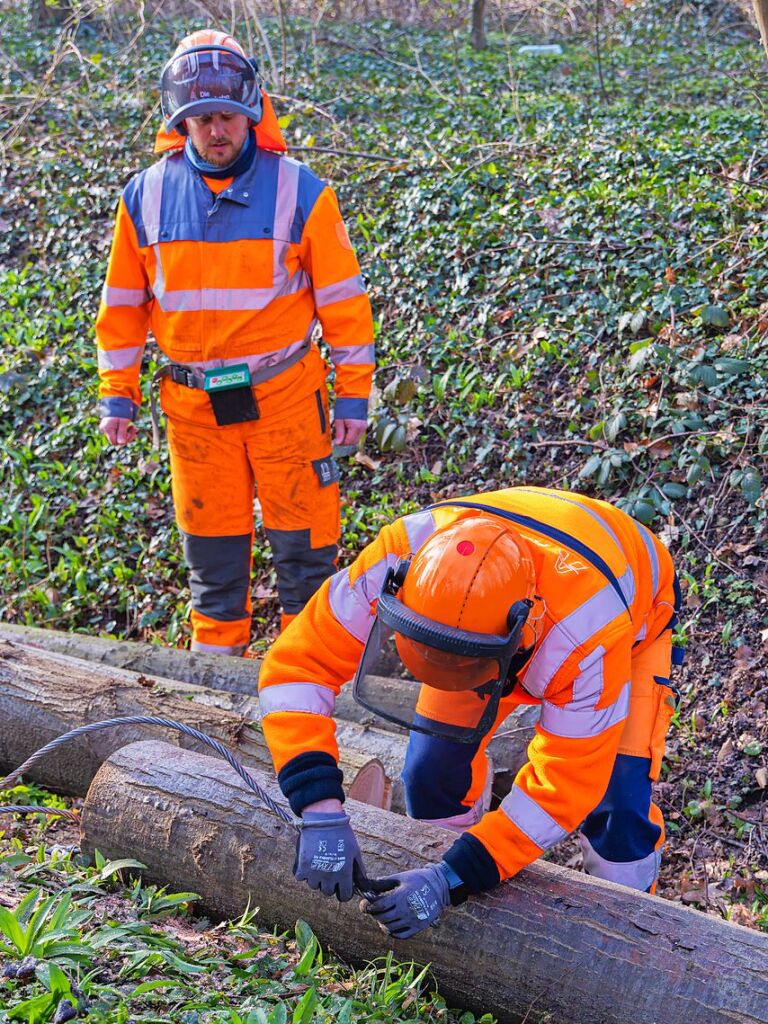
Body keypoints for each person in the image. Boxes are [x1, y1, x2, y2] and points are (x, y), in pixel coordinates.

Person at [258, 486, 683, 938]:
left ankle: (630, 939)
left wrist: (454, 878)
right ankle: (451, 926)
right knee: (431, 775)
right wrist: (318, 806)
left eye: (457, 665)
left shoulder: (588, 636)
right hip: (475, 630)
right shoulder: (401, 556)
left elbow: (565, 785)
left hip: (632, 622)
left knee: (618, 807)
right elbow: (297, 666)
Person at [95, 29, 375, 649]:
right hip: (194, 412)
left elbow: (345, 307)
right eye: (200, 120)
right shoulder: (145, 196)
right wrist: (118, 392)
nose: (215, 131)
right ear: (180, 122)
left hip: (287, 401)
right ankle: (211, 693)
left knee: (306, 563)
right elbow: (122, 305)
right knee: (213, 572)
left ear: (250, 113)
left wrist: (354, 397)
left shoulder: (302, 191)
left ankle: (308, 684)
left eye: (225, 116)